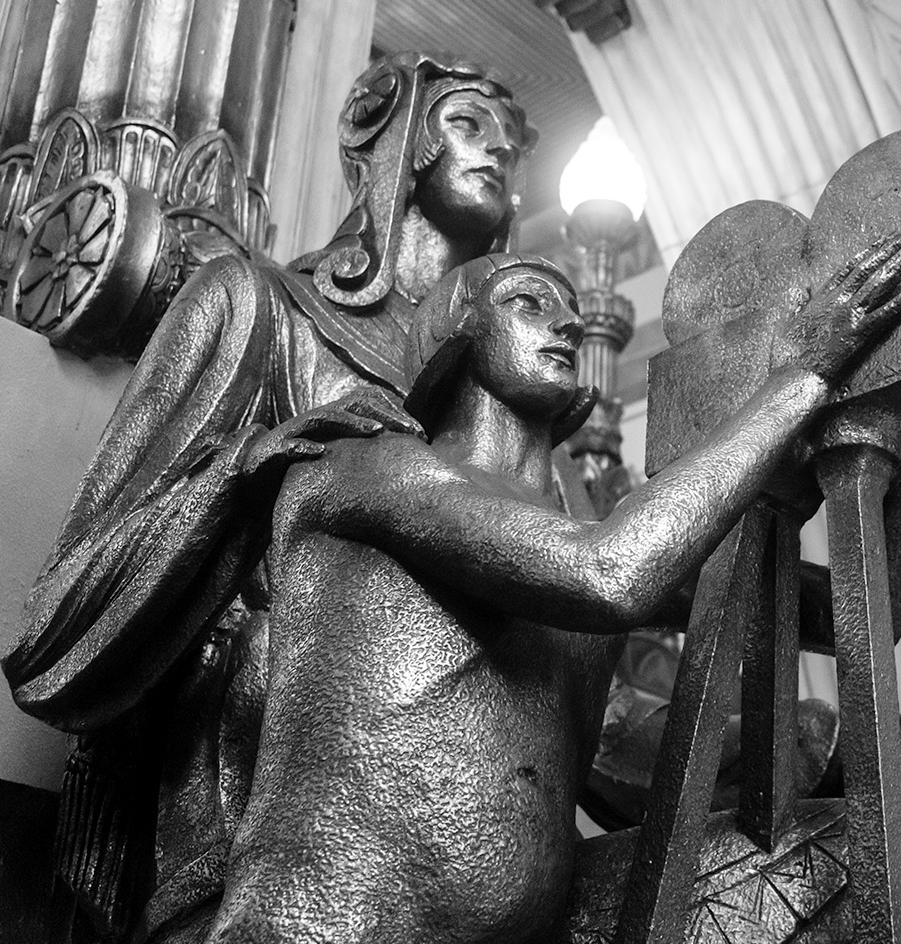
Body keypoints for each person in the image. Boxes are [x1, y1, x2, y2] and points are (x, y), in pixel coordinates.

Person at [207, 241, 901, 942]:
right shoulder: (363, 470)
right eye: (528, 300)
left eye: (574, 312)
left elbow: (859, 607)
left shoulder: (575, 545)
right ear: (457, 328)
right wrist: (800, 379)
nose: (568, 324)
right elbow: (611, 573)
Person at [4, 53, 547, 942]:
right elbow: (62, 619)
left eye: (511, 142)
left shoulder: (501, 400)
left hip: (458, 842)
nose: (499, 152)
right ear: (397, 144)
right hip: (251, 837)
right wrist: (253, 470)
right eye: (466, 123)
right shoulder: (254, 305)